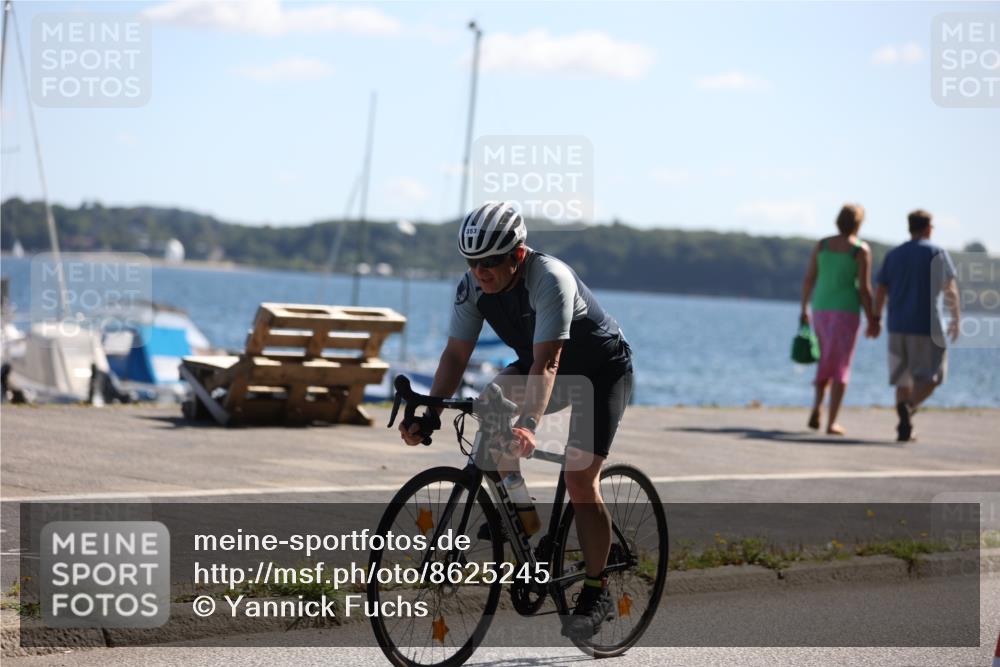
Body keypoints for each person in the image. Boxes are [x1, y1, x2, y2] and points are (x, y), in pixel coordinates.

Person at [398, 201, 633, 640]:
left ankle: (596, 589)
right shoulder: (472, 288)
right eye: (472, 262)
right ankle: (524, 523)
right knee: (489, 413)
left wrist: (528, 423)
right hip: (543, 366)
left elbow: (548, 363)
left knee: (580, 479)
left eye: (490, 262)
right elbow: (454, 355)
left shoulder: (550, 279)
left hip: (600, 373)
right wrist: (430, 413)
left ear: (517, 256)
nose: (480, 271)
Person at [873, 209, 960, 441]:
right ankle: (909, 407)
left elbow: (880, 289)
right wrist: (956, 318)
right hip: (926, 325)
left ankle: (905, 427)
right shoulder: (936, 253)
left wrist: (876, 318)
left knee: (902, 379)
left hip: (897, 325)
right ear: (927, 228)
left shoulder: (894, 255)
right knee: (933, 377)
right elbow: (949, 288)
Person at [799, 204, 878, 435]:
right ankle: (831, 420)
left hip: (821, 307)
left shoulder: (822, 245)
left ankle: (817, 406)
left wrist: (804, 307)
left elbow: (808, 279)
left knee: (825, 358)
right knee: (841, 364)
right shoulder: (860, 249)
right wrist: (873, 317)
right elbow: (864, 288)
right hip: (846, 310)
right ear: (858, 224)